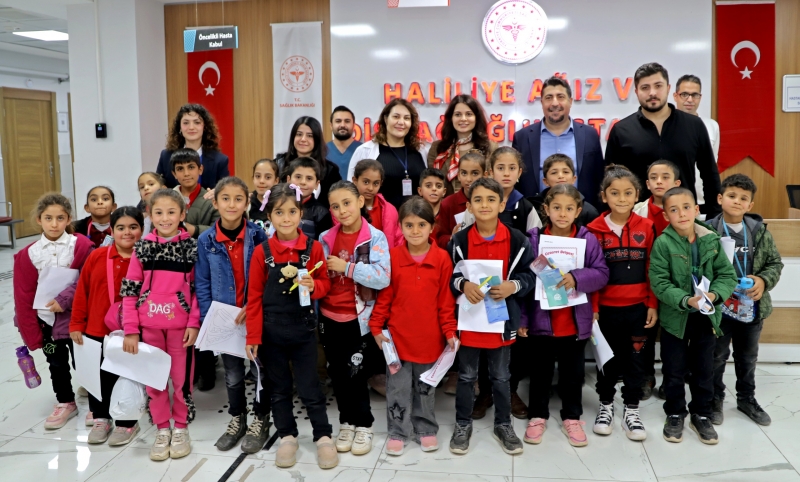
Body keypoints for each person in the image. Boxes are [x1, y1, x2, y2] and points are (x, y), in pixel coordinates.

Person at [244, 183, 338, 470]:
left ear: (301, 213)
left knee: (310, 386)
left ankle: (323, 436)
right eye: (279, 212)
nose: (286, 218)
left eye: (292, 212)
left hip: (303, 330)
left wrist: (315, 285)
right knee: (279, 388)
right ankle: (287, 436)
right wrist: (252, 336)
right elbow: (254, 297)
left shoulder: (314, 248)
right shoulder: (261, 252)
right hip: (271, 332)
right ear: (269, 216)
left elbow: (326, 285)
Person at [447, 178, 535, 456]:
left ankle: (503, 424)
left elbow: (530, 276)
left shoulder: (518, 241)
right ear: (469, 206)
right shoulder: (459, 240)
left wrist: (513, 286)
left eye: (490, 199)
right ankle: (462, 424)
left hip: (501, 323)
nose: (484, 205)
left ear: (502, 204)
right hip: (470, 322)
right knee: (466, 376)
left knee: (501, 376)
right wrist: (463, 285)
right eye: (478, 200)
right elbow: (450, 276)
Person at [519, 184, 609, 448]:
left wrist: (576, 278)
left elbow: (602, 274)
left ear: (578, 211)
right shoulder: (533, 239)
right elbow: (523, 280)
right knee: (540, 373)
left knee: (573, 374)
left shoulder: (587, 239)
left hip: (574, 322)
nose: (562, 213)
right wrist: (523, 318)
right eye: (556, 207)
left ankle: (572, 417)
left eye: (569, 208)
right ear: (546, 209)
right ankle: (537, 416)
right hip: (541, 320)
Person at [370, 197, 458, 455]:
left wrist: (450, 332)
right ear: (400, 227)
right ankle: (398, 431)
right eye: (409, 225)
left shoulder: (442, 259)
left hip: (430, 341)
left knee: (425, 389)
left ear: (432, 227)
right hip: (396, 342)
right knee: (397, 389)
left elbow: (445, 303)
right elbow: (384, 298)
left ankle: (426, 429)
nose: (415, 231)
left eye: (421, 225)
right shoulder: (393, 257)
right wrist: (376, 326)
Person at [649, 187, 737, 445]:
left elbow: (727, 276)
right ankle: (675, 413)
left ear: (696, 210)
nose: (681, 214)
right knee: (674, 369)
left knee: (703, 369)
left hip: (705, 317)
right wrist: (686, 299)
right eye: (673, 210)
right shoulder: (662, 243)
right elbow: (660, 283)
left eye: (686, 207)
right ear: (666, 215)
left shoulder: (711, 240)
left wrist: (714, 295)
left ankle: (701, 414)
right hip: (675, 319)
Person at [121, 188, 199, 461]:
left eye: (171, 212)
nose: (165, 218)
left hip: (180, 329)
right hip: (149, 328)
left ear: (182, 214)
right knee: (154, 380)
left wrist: (193, 323)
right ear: (149, 215)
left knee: (181, 380)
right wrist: (131, 330)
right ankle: (162, 427)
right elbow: (130, 291)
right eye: (159, 213)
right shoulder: (142, 248)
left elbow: (197, 290)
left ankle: (181, 426)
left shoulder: (191, 247)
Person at [195, 177, 271, 453]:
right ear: (215, 203)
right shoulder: (206, 240)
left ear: (247, 203)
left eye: (238, 199)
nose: (232, 204)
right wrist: (210, 318)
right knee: (232, 374)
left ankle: (261, 418)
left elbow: (267, 278)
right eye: (225, 198)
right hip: (224, 318)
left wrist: (254, 305)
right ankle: (237, 418)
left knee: (260, 370)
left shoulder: (258, 236)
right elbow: (202, 281)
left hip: (254, 315)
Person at [319, 181, 391, 456]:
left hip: (357, 319)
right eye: (335, 206)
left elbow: (383, 277)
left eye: (347, 203)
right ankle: (346, 422)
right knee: (337, 373)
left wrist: (347, 267)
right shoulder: (326, 238)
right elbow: (320, 275)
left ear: (360, 201)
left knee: (356, 373)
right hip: (329, 316)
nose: (342, 211)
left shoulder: (375, 238)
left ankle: (364, 424)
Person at [586, 165, 658, 441]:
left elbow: (652, 268)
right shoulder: (592, 231)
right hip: (605, 311)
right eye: (614, 193)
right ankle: (605, 405)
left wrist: (652, 303)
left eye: (628, 193)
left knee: (636, 361)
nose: (621, 198)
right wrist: (593, 308)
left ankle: (632, 409)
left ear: (637, 196)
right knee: (608, 361)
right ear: (604, 196)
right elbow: (591, 273)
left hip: (639, 309)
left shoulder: (647, 227)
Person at [707, 174, 783, 427]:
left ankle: (746, 398)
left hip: (751, 306)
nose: (737, 201)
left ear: (750, 205)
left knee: (747, 356)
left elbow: (775, 263)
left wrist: (762, 280)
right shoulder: (707, 230)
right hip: (719, 307)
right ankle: (714, 398)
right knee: (717, 355)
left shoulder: (759, 232)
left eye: (743, 198)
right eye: (731, 196)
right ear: (720, 198)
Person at [14, 193, 94, 430]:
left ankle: (97, 403)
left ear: (68, 219)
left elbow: (88, 280)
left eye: (60, 218)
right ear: (39, 219)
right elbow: (23, 295)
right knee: (56, 363)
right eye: (48, 218)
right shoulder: (29, 253)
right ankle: (65, 401)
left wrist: (65, 300)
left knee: (85, 361)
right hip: (47, 320)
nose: (54, 224)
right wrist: (31, 333)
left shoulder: (81, 246)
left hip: (78, 318)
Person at [605, 63, 721, 216]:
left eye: (658, 86)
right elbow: (610, 180)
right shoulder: (621, 130)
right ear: (636, 92)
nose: (652, 92)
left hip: (684, 218)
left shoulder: (694, 125)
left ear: (668, 88)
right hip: (637, 220)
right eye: (645, 87)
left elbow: (709, 174)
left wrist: (714, 217)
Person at [70, 206, 143, 445]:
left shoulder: (145, 258)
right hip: (96, 329)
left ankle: (127, 422)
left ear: (142, 229)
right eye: (121, 227)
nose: (127, 232)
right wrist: (76, 323)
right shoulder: (98, 256)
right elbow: (82, 291)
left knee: (127, 376)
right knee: (98, 376)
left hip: (131, 332)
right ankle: (101, 417)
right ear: (112, 230)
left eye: (133, 227)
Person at [512, 76, 605, 205]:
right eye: (549, 98)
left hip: (581, 212)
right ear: (542, 102)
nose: (555, 103)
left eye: (560, 97)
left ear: (570, 101)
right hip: (536, 212)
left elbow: (599, 179)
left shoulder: (589, 135)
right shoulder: (522, 137)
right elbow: (516, 182)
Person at [347, 99, 430, 209]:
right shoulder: (364, 151)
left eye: (406, 118)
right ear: (385, 119)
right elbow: (351, 189)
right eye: (396, 117)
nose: (401, 122)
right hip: (378, 217)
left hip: (415, 217)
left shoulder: (420, 151)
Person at [428, 94, 497, 195]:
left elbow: (493, 182)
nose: (463, 119)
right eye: (458, 114)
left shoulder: (490, 147)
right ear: (451, 118)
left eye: (469, 114)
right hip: (446, 203)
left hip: (479, 202)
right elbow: (431, 182)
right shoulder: (437, 148)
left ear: (476, 118)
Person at [673, 74, 720, 214]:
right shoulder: (667, 126)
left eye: (695, 95)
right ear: (675, 96)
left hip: (703, 199)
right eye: (684, 94)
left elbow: (712, 165)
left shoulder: (712, 126)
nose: (690, 99)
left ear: (700, 97)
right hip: (675, 198)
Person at [157, 104, 230, 189]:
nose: (191, 127)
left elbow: (226, 190)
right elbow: (157, 185)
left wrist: (215, 192)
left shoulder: (220, 160)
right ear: (179, 127)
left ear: (205, 127)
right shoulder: (166, 156)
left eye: (197, 122)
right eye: (186, 123)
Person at [276, 116, 342, 205]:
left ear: (317, 139)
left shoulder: (330, 171)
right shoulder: (279, 164)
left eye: (310, 136)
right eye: (299, 134)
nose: (303, 139)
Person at [530, 154, 599, 227]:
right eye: (554, 172)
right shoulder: (532, 207)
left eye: (565, 172)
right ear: (545, 181)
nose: (560, 176)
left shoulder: (588, 211)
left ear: (574, 179)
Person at [435, 151, 486, 248]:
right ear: (458, 175)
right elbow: (440, 239)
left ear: (485, 175)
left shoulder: (491, 202)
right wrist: (452, 237)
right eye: (464, 173)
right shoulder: (448, 203)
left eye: (475, 173)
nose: (469, 179)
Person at [487, 146, 542, 235]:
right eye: (500, 168)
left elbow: (535, 239)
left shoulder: (526, 207)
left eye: (512, 168)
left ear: (519, 173)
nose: (506, 174)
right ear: (491, 172)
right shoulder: (480, 201)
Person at [171, 148, 221, 241]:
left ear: (200, 169)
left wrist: (195, 230)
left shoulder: (212, 201)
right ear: (174, 174)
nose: (186, 173)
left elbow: (220, 231)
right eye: (180, 169)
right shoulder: (165, 200)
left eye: (191, 167)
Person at [352, 159, 403, 247]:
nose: (370, 188)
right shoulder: (346, 208)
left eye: (376, 183)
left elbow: (398, 240)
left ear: (381, 183)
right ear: (355, 180)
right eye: (366, 182)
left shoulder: (390, 210)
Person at [283, 157, 333, 242]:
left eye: (309, 178)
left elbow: (323, 244)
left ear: (317, 184)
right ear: (288, 180)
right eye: (298, 177)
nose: (303, 182)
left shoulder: (321, 213)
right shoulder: (279, 205)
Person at [633, 160, 680, 235]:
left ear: (676, 184)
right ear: (648, 184)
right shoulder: (636, 210)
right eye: (654, 177)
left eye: (665, 177)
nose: (659, 181)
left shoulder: (688, 208)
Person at [327, 106, 363, 179]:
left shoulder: (363, 150)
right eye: (338, 121)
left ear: (354, 125)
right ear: (331, 125)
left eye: (347, 121)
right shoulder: (322, 151)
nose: (343, 125)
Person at [418, 168, 448, 248]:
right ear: (420, 191)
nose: (434, 189)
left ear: (444, 192)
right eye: (428, 186)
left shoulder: (449, 213)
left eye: (438, 186)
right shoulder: (414, 213)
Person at [249, 158, 280, 234]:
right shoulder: (247, 203)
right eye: (258, 176)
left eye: (268, 177)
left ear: (276, 181)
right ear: (253, 178)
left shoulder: (281, 203)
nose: (262, 181)